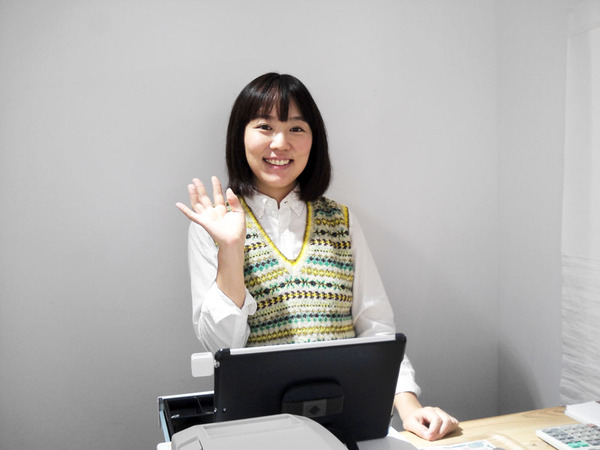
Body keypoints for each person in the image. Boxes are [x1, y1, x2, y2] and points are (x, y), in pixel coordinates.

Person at [176, 72, 459, 441]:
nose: (280, 143)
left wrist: (409, 405)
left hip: (347, 427)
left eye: (296, 128)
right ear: (239, 136)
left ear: (314, 140)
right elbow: (221, 346)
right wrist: (230, 249)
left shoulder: (341, 221)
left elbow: (376, 330)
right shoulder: (212, 227)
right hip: (256, 434)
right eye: (265, 127)